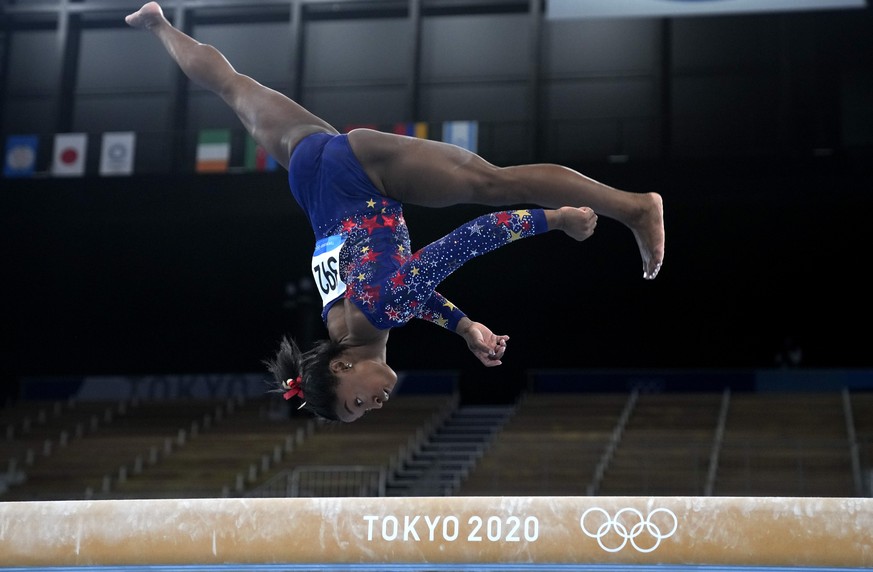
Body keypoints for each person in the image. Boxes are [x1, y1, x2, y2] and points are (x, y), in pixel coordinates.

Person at [125, 2, 665, 423]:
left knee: (494, 185)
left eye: (356, 404)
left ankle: (633, 207)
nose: (374, 406)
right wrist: (463, 325)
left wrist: (558, 220)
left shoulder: (379, 312)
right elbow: (404, 289)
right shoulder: (342, 322)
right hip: (311, 177)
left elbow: (470, 239)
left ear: (342, 367)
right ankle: (158, 24)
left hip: (361, 176)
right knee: (234, 88)